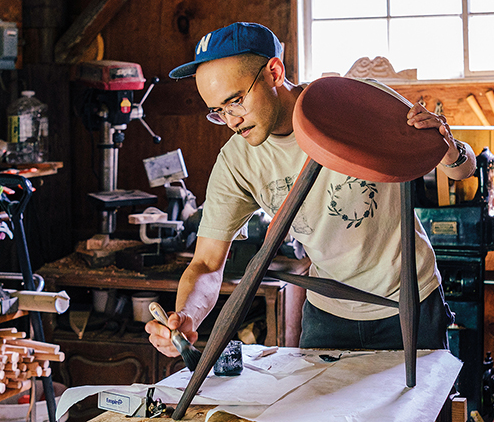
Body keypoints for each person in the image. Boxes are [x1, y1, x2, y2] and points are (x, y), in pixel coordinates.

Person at [145, 22, 476, 357]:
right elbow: (206, 262)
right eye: (219, 111)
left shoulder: (355, 101)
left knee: (421, 393)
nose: (231, 121)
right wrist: (186, 316)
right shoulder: (237, 161)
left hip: (412, 301)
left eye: (236, 101)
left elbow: (462, 170)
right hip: (329, 310)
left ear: (274, 73)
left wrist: (449, 147)